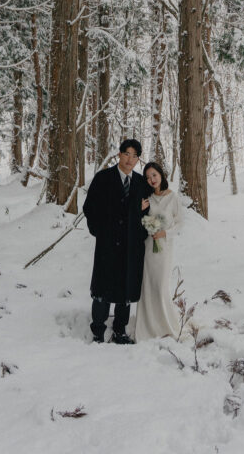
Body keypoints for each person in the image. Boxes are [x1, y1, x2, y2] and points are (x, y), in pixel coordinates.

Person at [83, 139, 147, 344]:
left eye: (135, 155)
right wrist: (99, 231)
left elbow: (148, 214)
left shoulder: (140, 182)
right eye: (126, 153)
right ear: (119, 155)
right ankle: (98, 331)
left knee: (125, 289)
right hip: (107, 244)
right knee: (102, 288)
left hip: (131, 246)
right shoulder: (103, 178)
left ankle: (120, 330)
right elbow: (89, 207)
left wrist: (140, 235)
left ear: (138, 159)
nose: (130, 159)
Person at [134, 160, 183, 342]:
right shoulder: (147, 198)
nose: (151, 179)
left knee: (161, 286)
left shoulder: (173, 197)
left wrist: (165, 233)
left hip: (164, 248)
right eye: (148, 177)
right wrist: (141, 212)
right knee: (148, 286)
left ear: (161, 175)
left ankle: (165, 325)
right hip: (149, 247)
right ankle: (148, 326)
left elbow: (180, 223)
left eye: (154, 175)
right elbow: (139, 221)